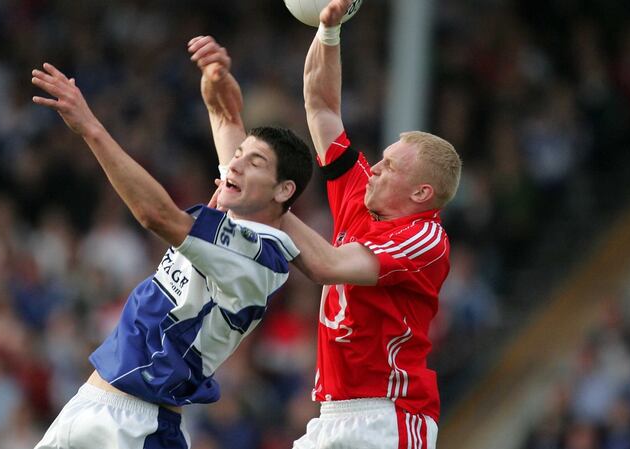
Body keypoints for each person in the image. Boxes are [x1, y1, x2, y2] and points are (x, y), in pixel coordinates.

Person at [196, 1, 462, 447]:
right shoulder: (362, 197)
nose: (374, 168)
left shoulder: (425, 239)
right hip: (333, 414)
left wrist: (272, 206)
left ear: (421, 194)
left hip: (388, 418)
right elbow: (321, 108)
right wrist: (328, 33)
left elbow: (328, 266)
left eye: (390, 166)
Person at [29, 36, 314, 448]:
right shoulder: (236, 219)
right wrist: (215, 80)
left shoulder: (258, 255)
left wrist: (91, 128)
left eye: (255, 162)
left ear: (283, 191)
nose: (234, 163)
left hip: (136, 427)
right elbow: (224, 119)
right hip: (92, 404)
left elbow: (156, 216)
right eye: (240, 156)